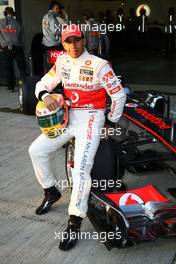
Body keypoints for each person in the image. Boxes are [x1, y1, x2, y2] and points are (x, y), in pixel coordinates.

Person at [28, 24, 126, 251]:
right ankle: (51, 190)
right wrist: (45, 95)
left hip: (91, 117)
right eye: (67, 41)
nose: (73, 45)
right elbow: (43, 83)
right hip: (67, 116)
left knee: (80, 170)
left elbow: (118, 96)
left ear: (84, 40)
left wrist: (110, 121)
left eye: (76, 40)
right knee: (36, 150)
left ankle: (74, 220)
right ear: (62, 43)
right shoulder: (61, 61)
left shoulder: (100, 65)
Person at [0, 6, 27, 91]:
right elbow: (22, 37)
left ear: (5, 13)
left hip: (5, 48)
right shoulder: (18, 23)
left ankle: (10, 87)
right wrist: (23, 47)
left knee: (8, 68)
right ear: (13, 13)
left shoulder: (0, 23)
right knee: (22, 67)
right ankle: (24, 86)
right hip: (17, 47)